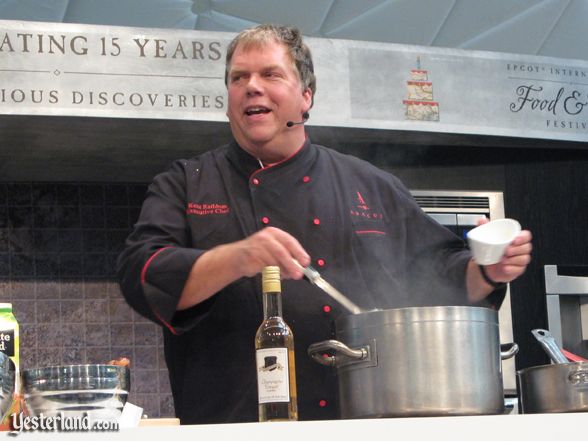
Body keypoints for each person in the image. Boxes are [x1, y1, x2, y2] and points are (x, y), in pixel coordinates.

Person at [117, 24, 533, 424]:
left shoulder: (369, 185)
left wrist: (487, 270)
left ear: (306, 97)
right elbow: (144, 273)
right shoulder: (187, 184)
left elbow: (442, 277)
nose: (251, 86)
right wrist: (237, 257)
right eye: (238, 77)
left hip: (363, 423)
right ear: (228, 99)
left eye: (270, 74)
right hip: (232, 425)